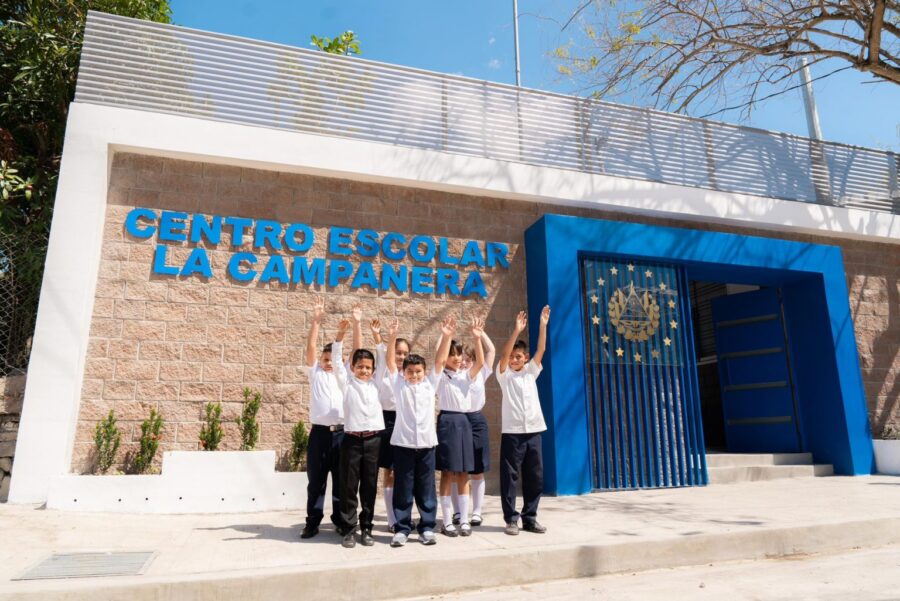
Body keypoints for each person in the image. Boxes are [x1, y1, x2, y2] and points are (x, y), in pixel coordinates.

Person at [385, 316, 455, 547]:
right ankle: (402, 528)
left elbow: (441, 361)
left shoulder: (429, 384)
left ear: (424, 372)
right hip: (403, 446)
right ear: (404, 373)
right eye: (410, 371)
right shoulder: (399, 385)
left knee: (426, 489)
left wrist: (446, 336)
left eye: (418, 371)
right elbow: (390, 363)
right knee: (403, 489)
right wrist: (392, 337)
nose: (414, 375)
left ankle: (426, 527)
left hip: (426, 446)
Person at [496, 306, 550, 536]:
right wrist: (517, 331)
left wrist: (542, 325)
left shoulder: (531, 372)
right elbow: (504, 355)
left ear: (525, 359)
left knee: (534, 477)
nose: (515, 360)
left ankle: (530, 517)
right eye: (512, 357)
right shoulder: (504, 375)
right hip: (512, 433)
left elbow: (541, 349)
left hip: (534, 431)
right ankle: (511, 519)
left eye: (519, 357)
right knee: (510, 477)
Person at [332, 306, 383, 548]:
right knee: (349, 486)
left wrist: (377, 337)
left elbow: (383, 359)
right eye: (360, 366)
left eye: (368, 367)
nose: (364, 370)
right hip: (351, 440)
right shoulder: (347, 383)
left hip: (373, 440)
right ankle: (349, 528)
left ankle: (367, 528)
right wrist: (343, 334)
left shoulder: (376, 384)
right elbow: (336, 359)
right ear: (352, 368)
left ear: (373, 370)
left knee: (370, 487)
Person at [435, 316, 485, 537]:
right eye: (452, 354)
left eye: (458, 355)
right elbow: (438, 360)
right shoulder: (440, 376)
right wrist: (446, 336)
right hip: (447, 422)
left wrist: (477, 339)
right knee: (447, 473)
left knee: (464, 472)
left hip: (464, 422)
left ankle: (464, 519)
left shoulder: (466, 375)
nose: (456, 358)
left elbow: (481, 363)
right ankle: (447, 521)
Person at [300, 297, 344, 540]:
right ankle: (312, 522)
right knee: (316, 482)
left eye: (332, 360)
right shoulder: (315, 373)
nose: (328, 363)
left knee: (341, 482)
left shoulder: (343, 376)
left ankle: (339, 520)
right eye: (325, 360)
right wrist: (316, 322)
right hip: (319, 434)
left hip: (341, 434)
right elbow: (311, 349)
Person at [370, 318, 412, 533]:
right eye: (398, 352)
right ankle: (392, 518)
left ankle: (405, 514)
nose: (401, 356)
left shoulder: (411, 374)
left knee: (405, 472)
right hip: (387, 421)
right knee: (390, 472)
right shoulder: (384, 372)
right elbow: (380, 350)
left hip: (406, 422)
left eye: (405, 353)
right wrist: (382, 335)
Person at [452, 325, 495, 527]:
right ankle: (458, 512)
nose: (465, 363)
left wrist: (480, 334)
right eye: (462, 360)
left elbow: (491, 351)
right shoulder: (453, 376)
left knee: (477, 469)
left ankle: (476, 512)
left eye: (469, 360)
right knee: (456, 470)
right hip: (457, 420)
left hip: (476, 420)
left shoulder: (481, 373)